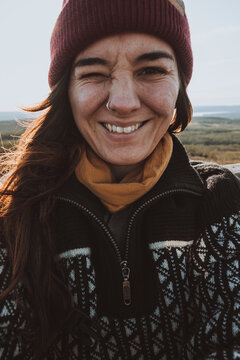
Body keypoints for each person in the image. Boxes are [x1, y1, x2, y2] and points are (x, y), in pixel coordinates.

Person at [0, 0, 240, 359]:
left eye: (151, 70)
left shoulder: (222, 206)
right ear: (66, 90)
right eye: (94, 73)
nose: (123, 102)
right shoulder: (14, 215)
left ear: (180, 86)